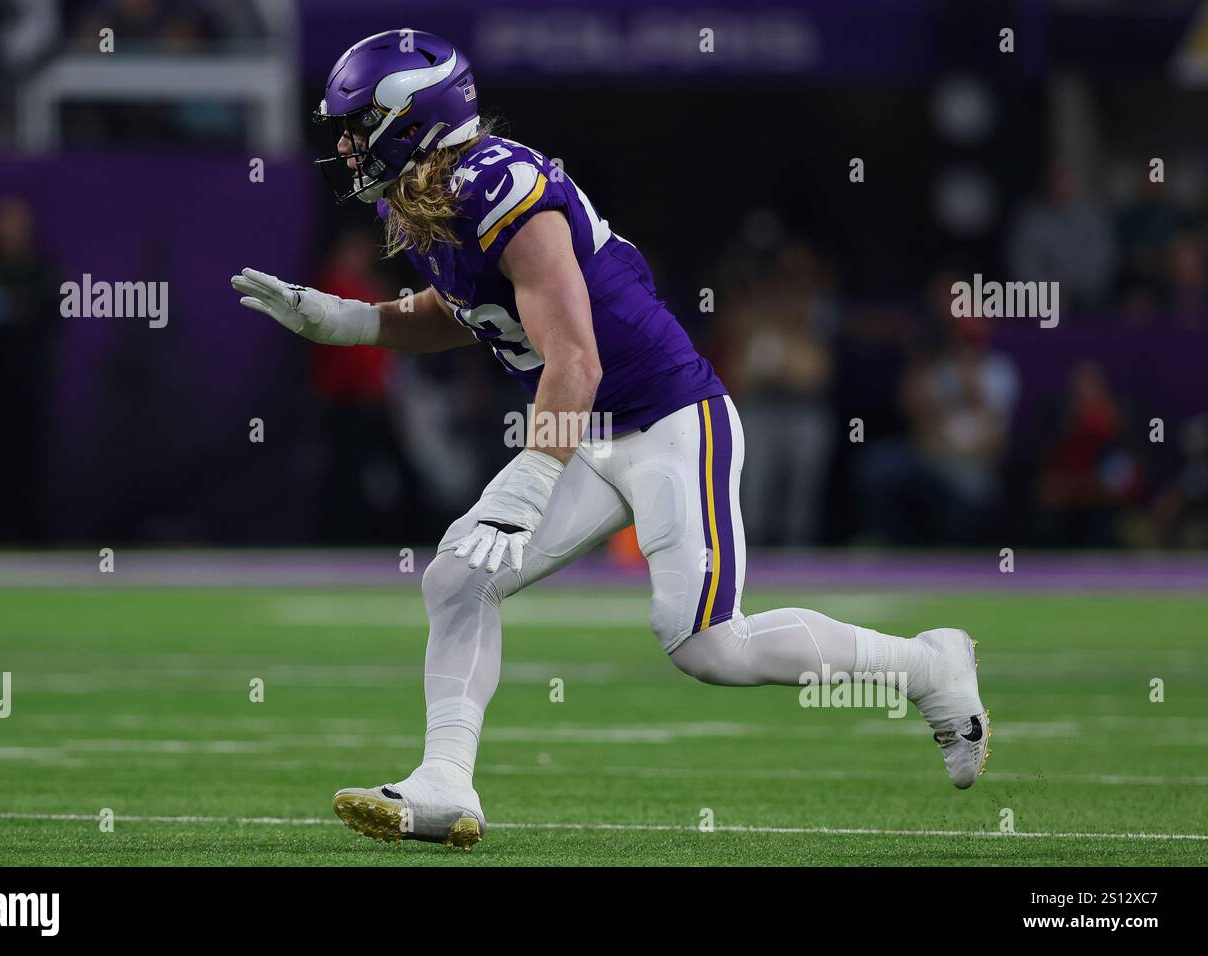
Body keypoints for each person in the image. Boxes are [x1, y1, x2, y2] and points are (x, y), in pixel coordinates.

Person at [231, 30, 988, 850]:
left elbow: (576, 359)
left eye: (355, 125)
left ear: (408, 121)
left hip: (669, 420)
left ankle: (929, 667)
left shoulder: (502, 187)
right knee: (457, 578)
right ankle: (445, 782)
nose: (343, 145)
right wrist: (348, 321)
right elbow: (471, 312)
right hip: (588, 431)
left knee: (704, 641)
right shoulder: (424, 196)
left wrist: (526, 484)